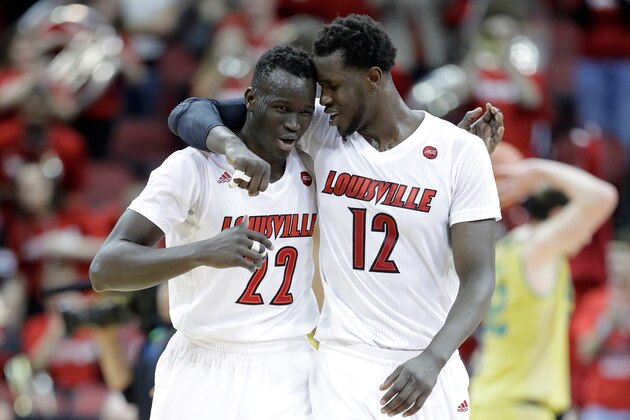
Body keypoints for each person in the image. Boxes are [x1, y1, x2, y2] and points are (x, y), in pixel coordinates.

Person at [168, 14, 503, 419]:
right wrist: (230, 147)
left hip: (428, 362)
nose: (321, 99)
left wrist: (434, 358)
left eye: (332, 86)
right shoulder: (320, 129)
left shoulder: (459, 151)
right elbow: (189, 111)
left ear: (373, 78)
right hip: (344, 364)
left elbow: (480, 277)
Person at [89, 45, 319, 420]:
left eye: (305, 113)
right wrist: (200, 251)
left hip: (290, 364)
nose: (294, 123)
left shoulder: (315, 161)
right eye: (281, 109)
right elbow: (104, 269)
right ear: (250, 100)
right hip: (203, 364)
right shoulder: (191, 167)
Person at [469, 153, 618, 420]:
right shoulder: (538, 250)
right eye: (585, 226)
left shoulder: (503, 251)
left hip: (493, 399)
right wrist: (539, 170)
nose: (586, 238)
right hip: (519, 407)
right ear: (560, 215)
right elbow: (603, 196)